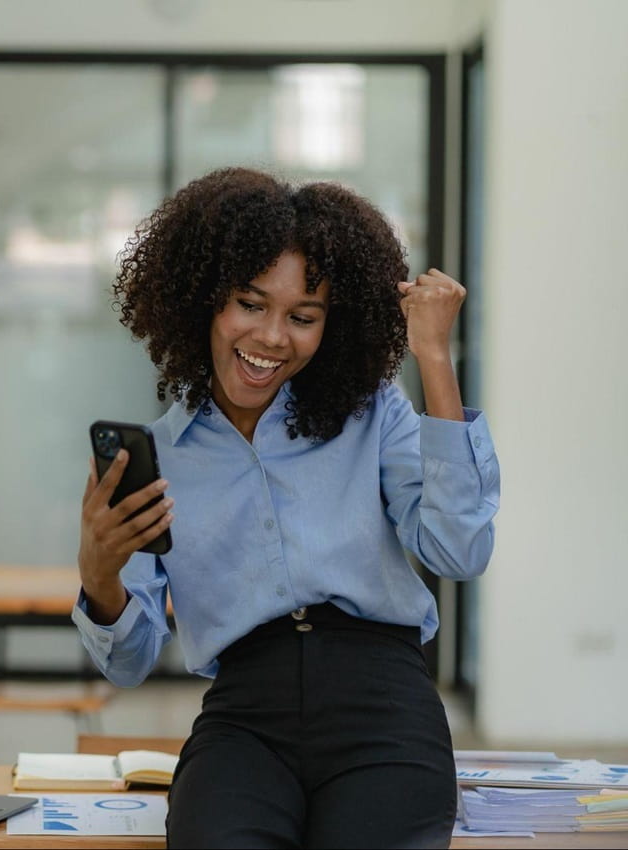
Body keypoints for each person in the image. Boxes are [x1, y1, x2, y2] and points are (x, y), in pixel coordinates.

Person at [72, 167, 499, 849]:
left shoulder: (372, 414)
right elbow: (128, 662)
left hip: (383, 705)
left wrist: (434, 359)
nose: (273, 337)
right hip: (245, 718)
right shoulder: (157, 455)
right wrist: (99, 572)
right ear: (204, 301)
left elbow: (460, 549)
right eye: (250, 304)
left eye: (303, 317)